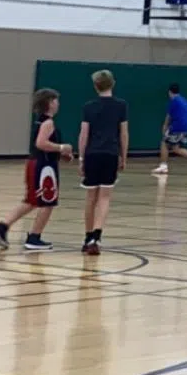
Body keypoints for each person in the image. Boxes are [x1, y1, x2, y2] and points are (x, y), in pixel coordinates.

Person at [0, 88, 74, 251]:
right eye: (56, 100)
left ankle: (1, 228)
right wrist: (63, 147)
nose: (58, 104)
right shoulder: (48, 123)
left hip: (35, 163)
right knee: (48, 203)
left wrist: (61, 153)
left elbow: (44, 146)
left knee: (31, 201)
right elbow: (41, 143)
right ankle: (34, 237)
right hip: (44, 166)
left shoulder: (39, 121)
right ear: (50, 103)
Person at [77, 69, 129, 256]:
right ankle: (97, 237)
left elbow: (84, 134)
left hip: (92, 154)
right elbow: (123, 133)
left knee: (91, 197)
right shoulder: (121, 105)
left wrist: (81, 158)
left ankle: (88, 236)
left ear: (95, 86)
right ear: (112, 83)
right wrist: (124, 155)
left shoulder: (89, 106)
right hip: (110, 153)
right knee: (105, 197)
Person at [154, 83, 187, 175]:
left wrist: (165, 127)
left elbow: (168, 117)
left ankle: (163, 166)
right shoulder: (184, 100)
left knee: (164, 143)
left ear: (169, 92)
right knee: (175, 148)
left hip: (178, 127)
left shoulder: (174, 101)